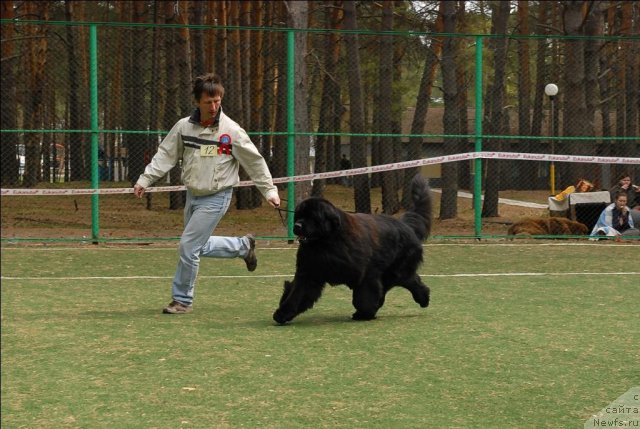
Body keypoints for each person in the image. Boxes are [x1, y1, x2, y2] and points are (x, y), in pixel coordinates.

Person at [133, 73, 280, 314]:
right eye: (208, 102)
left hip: (217, 196)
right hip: (193, 195)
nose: (213, 107)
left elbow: (255, 162)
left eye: (217, 101)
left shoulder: (231, 131)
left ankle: (182, 300)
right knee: (195, 245)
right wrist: (145, 179)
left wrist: (269, 191)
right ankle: (242, 247)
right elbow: (165, 155)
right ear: (197, 102)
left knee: (188, 246)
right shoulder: (183, 127)